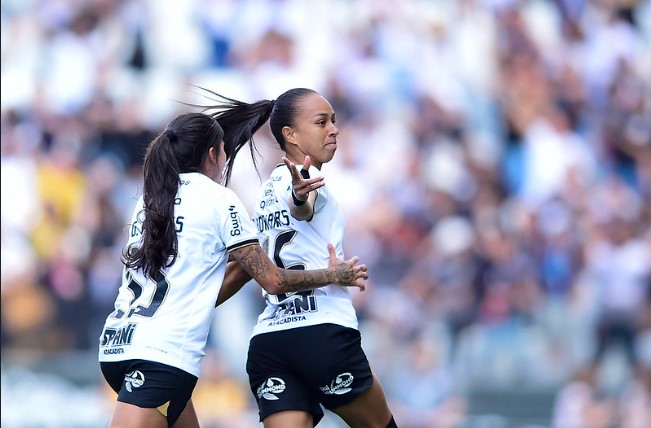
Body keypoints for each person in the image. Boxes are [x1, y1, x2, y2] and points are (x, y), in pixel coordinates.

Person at [98, 111, 369, 428]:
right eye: (224, 151)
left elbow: (209, 274)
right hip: (161, 359)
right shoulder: (218, 199)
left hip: (118, 345)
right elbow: (272, 279)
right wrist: (333, 275)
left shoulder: (150, 199)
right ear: (212, 154)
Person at [203, 88, 397, 427]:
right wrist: (299, 194)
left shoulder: (263, 194)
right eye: (321, 122)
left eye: (334, 121)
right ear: (289, 135)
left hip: (271, 342)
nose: (334, 129)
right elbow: (301, 205)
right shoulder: (305, 179)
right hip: (321, 335)